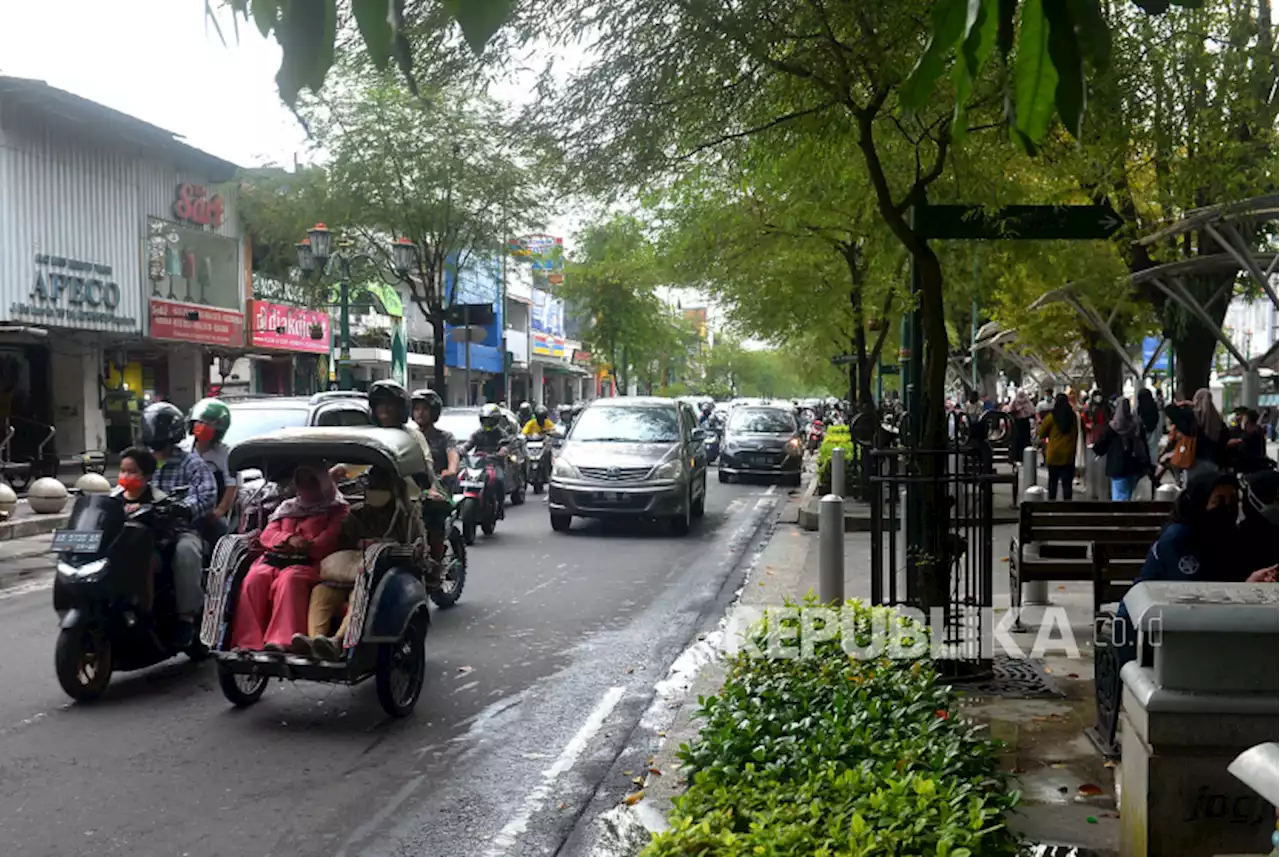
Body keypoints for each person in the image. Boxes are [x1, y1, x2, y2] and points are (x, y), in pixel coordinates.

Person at [231, 463, 348, 653]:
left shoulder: (337, 510)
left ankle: (282, 641)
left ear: (323, 483)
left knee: (289, 580)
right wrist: (288, 539)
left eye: (312, 482)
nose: (307, 487)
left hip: (311, 564)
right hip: (274, 559)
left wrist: (303, 545)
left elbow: (326, 542)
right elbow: (268, 534)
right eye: (302, 482)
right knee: (255, 578)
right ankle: (247, 642)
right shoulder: (288, 506)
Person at [299, 466, 400, 660]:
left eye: (381, 486)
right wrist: (356, 543)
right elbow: (339, 542)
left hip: (377, 574)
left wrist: (383, 544)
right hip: (344, 571)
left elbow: (410, 545)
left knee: (359, 594)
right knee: (321, 592)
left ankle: (338, 641)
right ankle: (316, 642)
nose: (376, 490)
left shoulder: (404, 515)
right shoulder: (355, 514)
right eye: (373, 485)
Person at [142, 402, 217, 647]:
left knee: (186, 553)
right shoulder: (141, 462)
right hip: (145, 529)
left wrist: (184, 507)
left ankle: (187, 618)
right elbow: (124, 485)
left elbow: (206, 495)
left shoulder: (191, 463)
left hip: (180, 530)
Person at [180, 397, 239, 540]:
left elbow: (231, 486)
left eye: (209, 424)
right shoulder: (182, 449)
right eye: (200, 422)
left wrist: (218, 512)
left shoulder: (225, 454)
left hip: (211, 512)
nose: (203, 426)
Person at [1092, 399, 1151, 501]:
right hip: (1134, 465)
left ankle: (1122, 516)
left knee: (1119, 495)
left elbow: (1100, 445)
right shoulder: (1136, 424)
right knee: (1129, 493)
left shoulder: (1113, 427)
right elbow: (1144, 445)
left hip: (1117, 467)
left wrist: (1097, 451)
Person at [1038, 393, 1078, 500]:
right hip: (1068, 455)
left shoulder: (1051, 417)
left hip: (1053, 454)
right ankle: (1067, 508)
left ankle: (1052, 505)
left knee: (1052, 482)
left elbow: (1042, 433)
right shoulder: (1073, 417)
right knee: (1067, 484)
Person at [1189, 387, 1229, 479]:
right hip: (1214, 462)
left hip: (1193, 461)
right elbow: (1225, 439)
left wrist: (1186, 404)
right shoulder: (1218, 420)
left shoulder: (1193, 418)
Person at [116, 446, 159, 510]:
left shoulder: (158, 500)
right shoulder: (113, 498)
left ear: (147, 475)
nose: (125, 476)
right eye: (123, 470)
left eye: (132, 472)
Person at [1229, 408, 1269, 474]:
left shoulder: (1247, 436)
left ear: (1247, 422)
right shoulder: (1259, 434)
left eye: (1243, 420)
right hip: (1257, 469)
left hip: (1246, 471)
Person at [1008, 389, 1036, 466]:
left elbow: (1032, 411)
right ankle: (1018, 457)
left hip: (1024, 422)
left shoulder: (1027, 402)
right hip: (1018, 422)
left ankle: (1026, 457)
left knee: (1025, 440)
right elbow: (1009, 411)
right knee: (1018, 440)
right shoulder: (1015, 401)